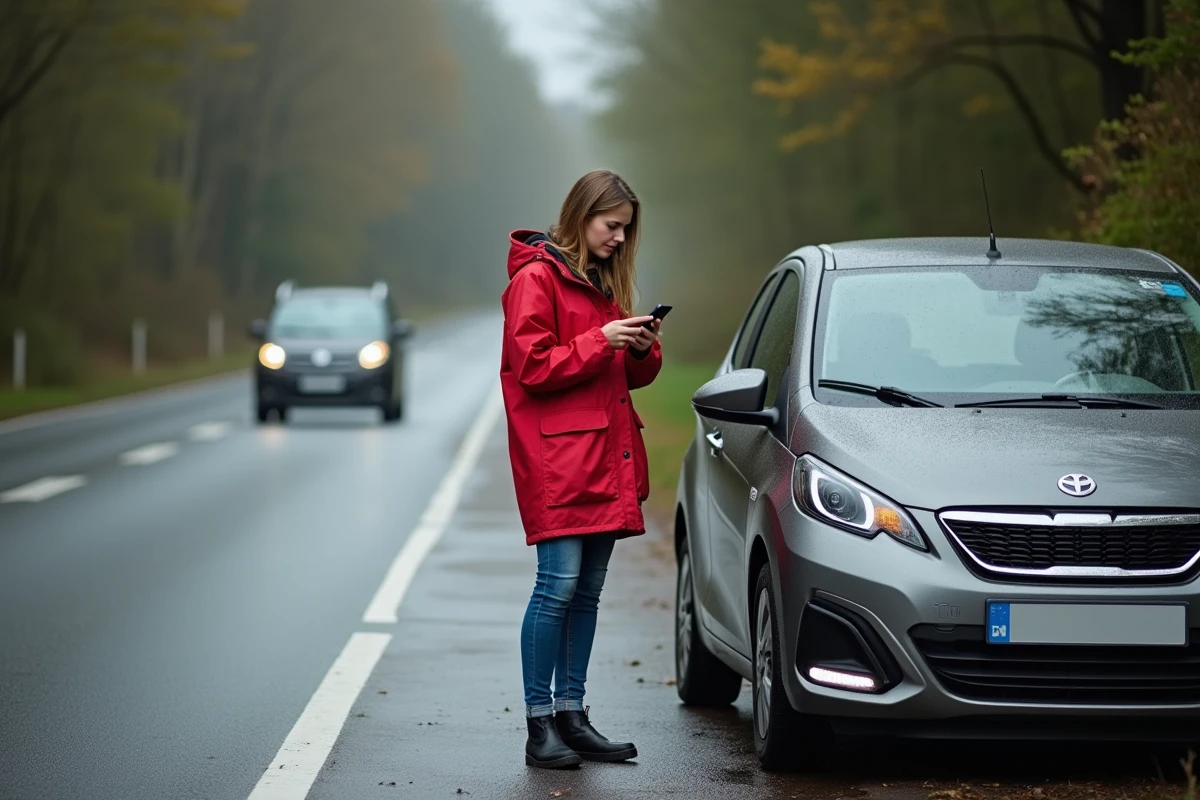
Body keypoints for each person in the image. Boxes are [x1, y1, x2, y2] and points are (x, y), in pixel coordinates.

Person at [500, 170, 663, 769]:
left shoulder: (598, 284)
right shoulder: (535, 280)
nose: (620, 238)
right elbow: (533, 367)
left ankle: (572, 714)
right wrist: (604, 340)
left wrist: (641, 347)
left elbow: (624, 376)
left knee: (587, 594)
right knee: (557, 588)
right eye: (611, 225)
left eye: (626, 229)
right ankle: (539, 722)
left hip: (602, 457)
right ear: (581, 215)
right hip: (559, 463)